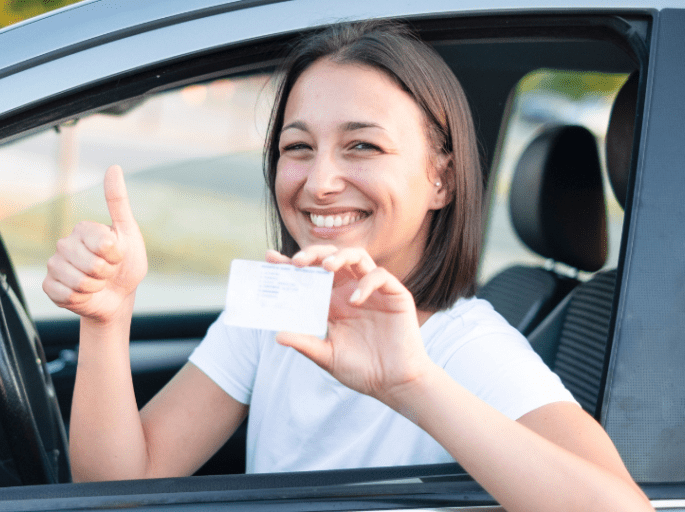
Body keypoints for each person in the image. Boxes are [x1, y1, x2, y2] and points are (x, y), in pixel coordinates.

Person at [42, 21, 654, 512]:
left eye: (363, 145)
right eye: (297, 147)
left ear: (440, 177)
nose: (321, 182)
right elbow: (119, 490)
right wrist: (106, 317)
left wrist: (409, 383)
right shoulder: (277, 305)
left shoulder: (466, 344)